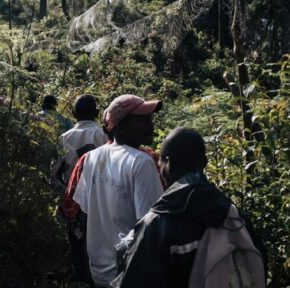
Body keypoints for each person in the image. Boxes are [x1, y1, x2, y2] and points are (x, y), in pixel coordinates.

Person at [111, 127, 265, 288]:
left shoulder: (158, 224)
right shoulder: (233, 216)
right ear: (204, 163)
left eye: (160, 160)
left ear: (168, 163)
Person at [73, 94, 164, 287]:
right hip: (128, 273)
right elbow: (149, 229)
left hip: (99, 271)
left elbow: (85, 214)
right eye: (142, 120)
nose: (150, 125)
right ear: (120, 125)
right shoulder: (141, 162)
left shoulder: (91, 158)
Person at [53, 94, 108, 285]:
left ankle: (82, 280)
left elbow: (53, 174)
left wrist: (66, 196)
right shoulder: (104, 136)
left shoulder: (63, 138)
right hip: (100, 202)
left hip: (73, 204)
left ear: (73, 114)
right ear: (97, 113)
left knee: (77, 249)